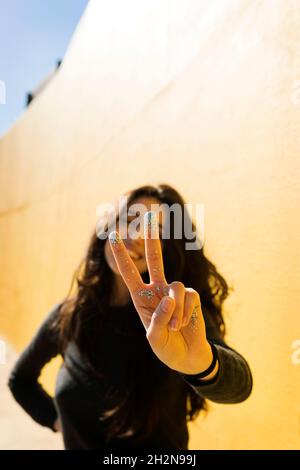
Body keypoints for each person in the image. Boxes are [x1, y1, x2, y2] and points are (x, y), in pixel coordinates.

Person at [8, 184, 253, 450]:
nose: (136, 235)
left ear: (167, 249)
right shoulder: (70, 315)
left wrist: (202, 364)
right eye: (130, 220)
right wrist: (57, 421)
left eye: (154, 231)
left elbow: (240, 386)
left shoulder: (173, 315)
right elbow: (20, 380)